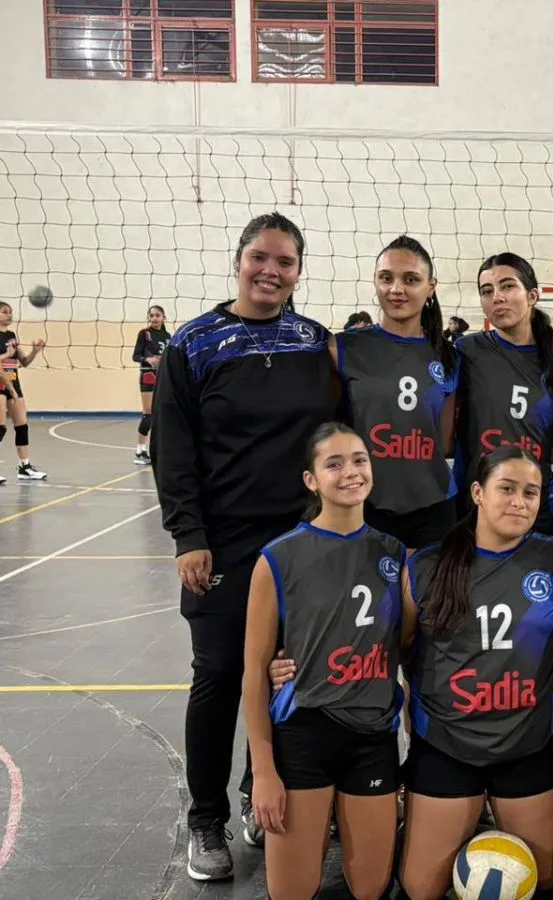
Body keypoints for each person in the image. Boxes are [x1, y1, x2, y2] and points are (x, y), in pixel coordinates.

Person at [150, 211, 337, 881]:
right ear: (239, 261)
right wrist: (188, 535)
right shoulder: (194, 343)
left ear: (298, 271)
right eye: (260, 257)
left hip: (299, 544)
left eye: (285, 261)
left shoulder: (314, 342)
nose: (270, 271)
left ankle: (262, 796)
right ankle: (206, 819)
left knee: (286, 675)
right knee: (221, 675)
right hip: (224, 544)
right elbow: (172, 448)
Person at [401, 446, 553, 900]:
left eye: (531, 493)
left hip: (527, 741)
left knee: (545, 879)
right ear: (478, 492)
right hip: (448, 742)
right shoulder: (425, 566)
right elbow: (401, 647)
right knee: (420, 889)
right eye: (507, 489)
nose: (519, 501)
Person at [243, 422, 405, 900]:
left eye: (359, 460)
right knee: (292, 891)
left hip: (372, 737)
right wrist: (263, 772)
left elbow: (412, 648)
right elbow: (253, 674)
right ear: (311, 480)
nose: (350, 472)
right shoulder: (278, 559)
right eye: (334, 464)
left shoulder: (395, 555)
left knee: (371, 888)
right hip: (304, 737)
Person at [334, 235, 459, 548]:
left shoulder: (449, 357)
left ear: (431, 286)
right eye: (386, 278)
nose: (396, 289)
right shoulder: (343, 348)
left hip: (434, 506)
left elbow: (443, 443)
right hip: (363, 503)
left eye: (411, 279)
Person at [454, 252, 553, 536]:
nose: (497, 297)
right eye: (487, 291)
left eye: (507, 286)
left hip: (531, 506)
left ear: (532, 296)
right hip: (475, 504)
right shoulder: (466, 352)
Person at [0, 300, 48, 483]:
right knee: (0, 428)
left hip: (13, 382)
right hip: (1, 384)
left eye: (10, 312)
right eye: (4, 312)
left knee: (22, 426)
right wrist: (6, 355)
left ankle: (24, 467)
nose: (9, 315)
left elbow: (24, 362)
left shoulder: (11, 336)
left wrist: (35, 351)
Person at [131, 304, 171, 466]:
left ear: (163, 318)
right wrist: (148, 359)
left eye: (157, 315)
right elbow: (135, 356)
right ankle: (140, 451)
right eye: (152, 315)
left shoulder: (167, 336)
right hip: (148, 376)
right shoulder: (144, 334)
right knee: (148, 414)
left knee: (161, 413)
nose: (154, 318)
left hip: (163, 376)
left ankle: (159, 450)